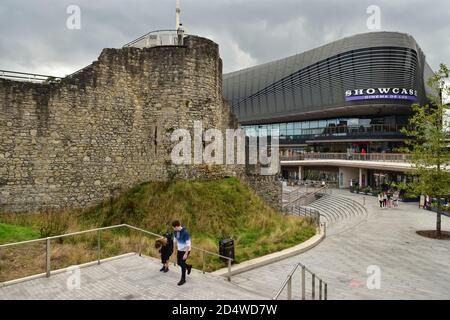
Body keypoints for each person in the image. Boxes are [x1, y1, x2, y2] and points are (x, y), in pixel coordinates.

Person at [172, 220, 192, 286]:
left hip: (186, 250)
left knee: (182, 264)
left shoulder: (185, 233)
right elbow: (174, 241)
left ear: (177, 226)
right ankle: (188, 267)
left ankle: (183, 279)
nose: (174, 229)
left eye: (174, 228)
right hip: (179, 250)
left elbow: (188, 244)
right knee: (179, 263)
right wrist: (174, 250)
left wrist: (186, 254)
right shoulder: (175, 231)